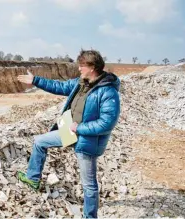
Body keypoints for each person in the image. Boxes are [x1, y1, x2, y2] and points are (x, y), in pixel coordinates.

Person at [16, 49, 121, 218]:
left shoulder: (108, 92)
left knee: (89, 185)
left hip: (86, 140)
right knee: (39, 142)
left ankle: (90, 216)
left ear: (92, 67)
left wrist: (79, 128)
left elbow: (107, 123)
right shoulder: (81, 83)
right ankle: (33, 179)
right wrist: (35, 80)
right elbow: (60, 86)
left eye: (82, 66)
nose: (79, 69)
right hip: (69, 132)